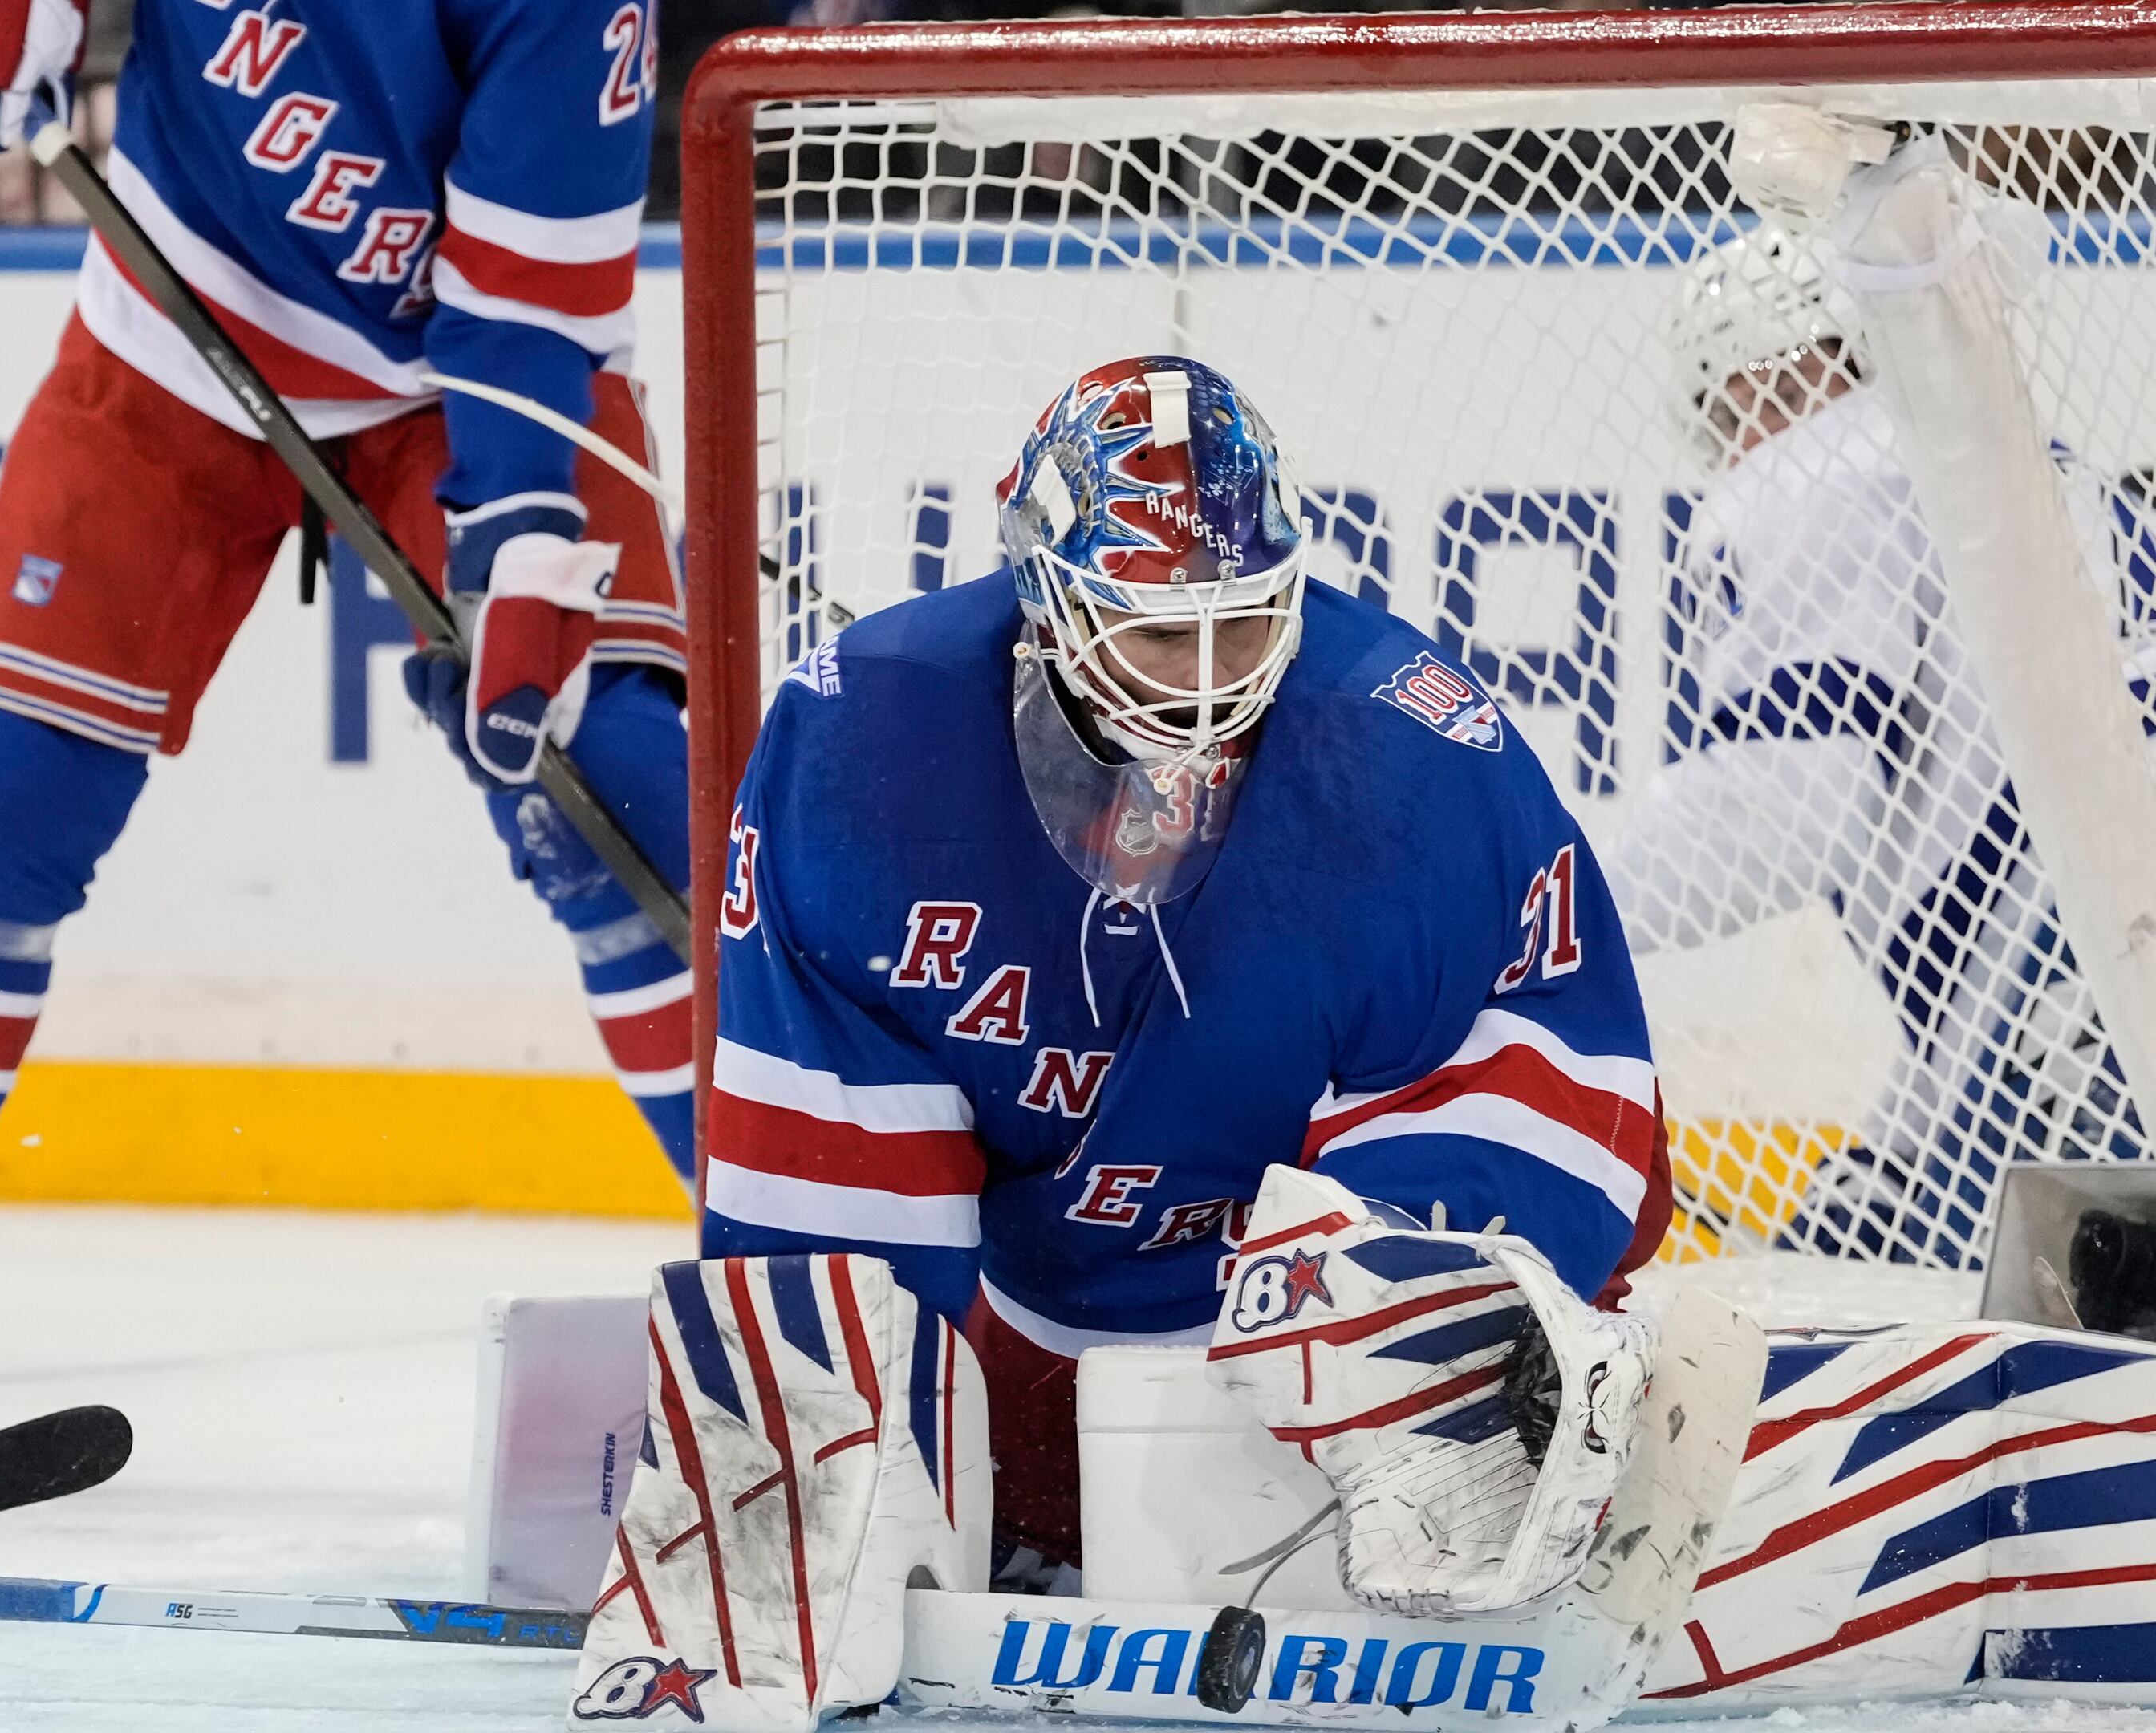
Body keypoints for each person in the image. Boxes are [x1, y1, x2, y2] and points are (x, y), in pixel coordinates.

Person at [0, 0, 695, 1485]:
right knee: (10, 797)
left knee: (620, 791)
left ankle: (797, 1278)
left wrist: (522, 541)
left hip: (462, 388)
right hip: (175, 318)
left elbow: (531, 289)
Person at [688, 356, 1674, 1585]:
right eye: (1164, 635)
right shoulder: (863, 748)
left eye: (1248, 621)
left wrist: (1443, 1358)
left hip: (1301, 1321)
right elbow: (828, 1221)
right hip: (1036, 1325)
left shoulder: (1406, 766)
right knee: (837, 1489)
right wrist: (828, 1475)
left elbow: (1558, 1071)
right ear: (1047, 601)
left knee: (1415, 1377)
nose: (1213, 682)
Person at [1614, 227, 2148, 1264]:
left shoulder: (1811, 470)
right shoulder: (2021, 467)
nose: (1751, 432)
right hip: (2091, 971)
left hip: (2074, 986)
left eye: (1755, 398)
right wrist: (1883, 1180)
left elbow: (1776, 816)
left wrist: (1540, 902)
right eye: (1735, 410)